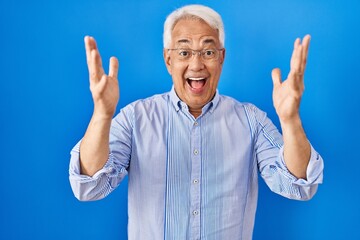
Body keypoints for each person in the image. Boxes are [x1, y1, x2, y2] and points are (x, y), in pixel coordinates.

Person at [69, 4, 324, 240]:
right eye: (184, 52)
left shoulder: (251, 120)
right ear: (168, 59)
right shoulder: (136, 117)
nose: (196, 63)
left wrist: (290, 120)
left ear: (221, 58)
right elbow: (90, 185)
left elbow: (297, 183)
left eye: (208, 51)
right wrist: (102, 114)